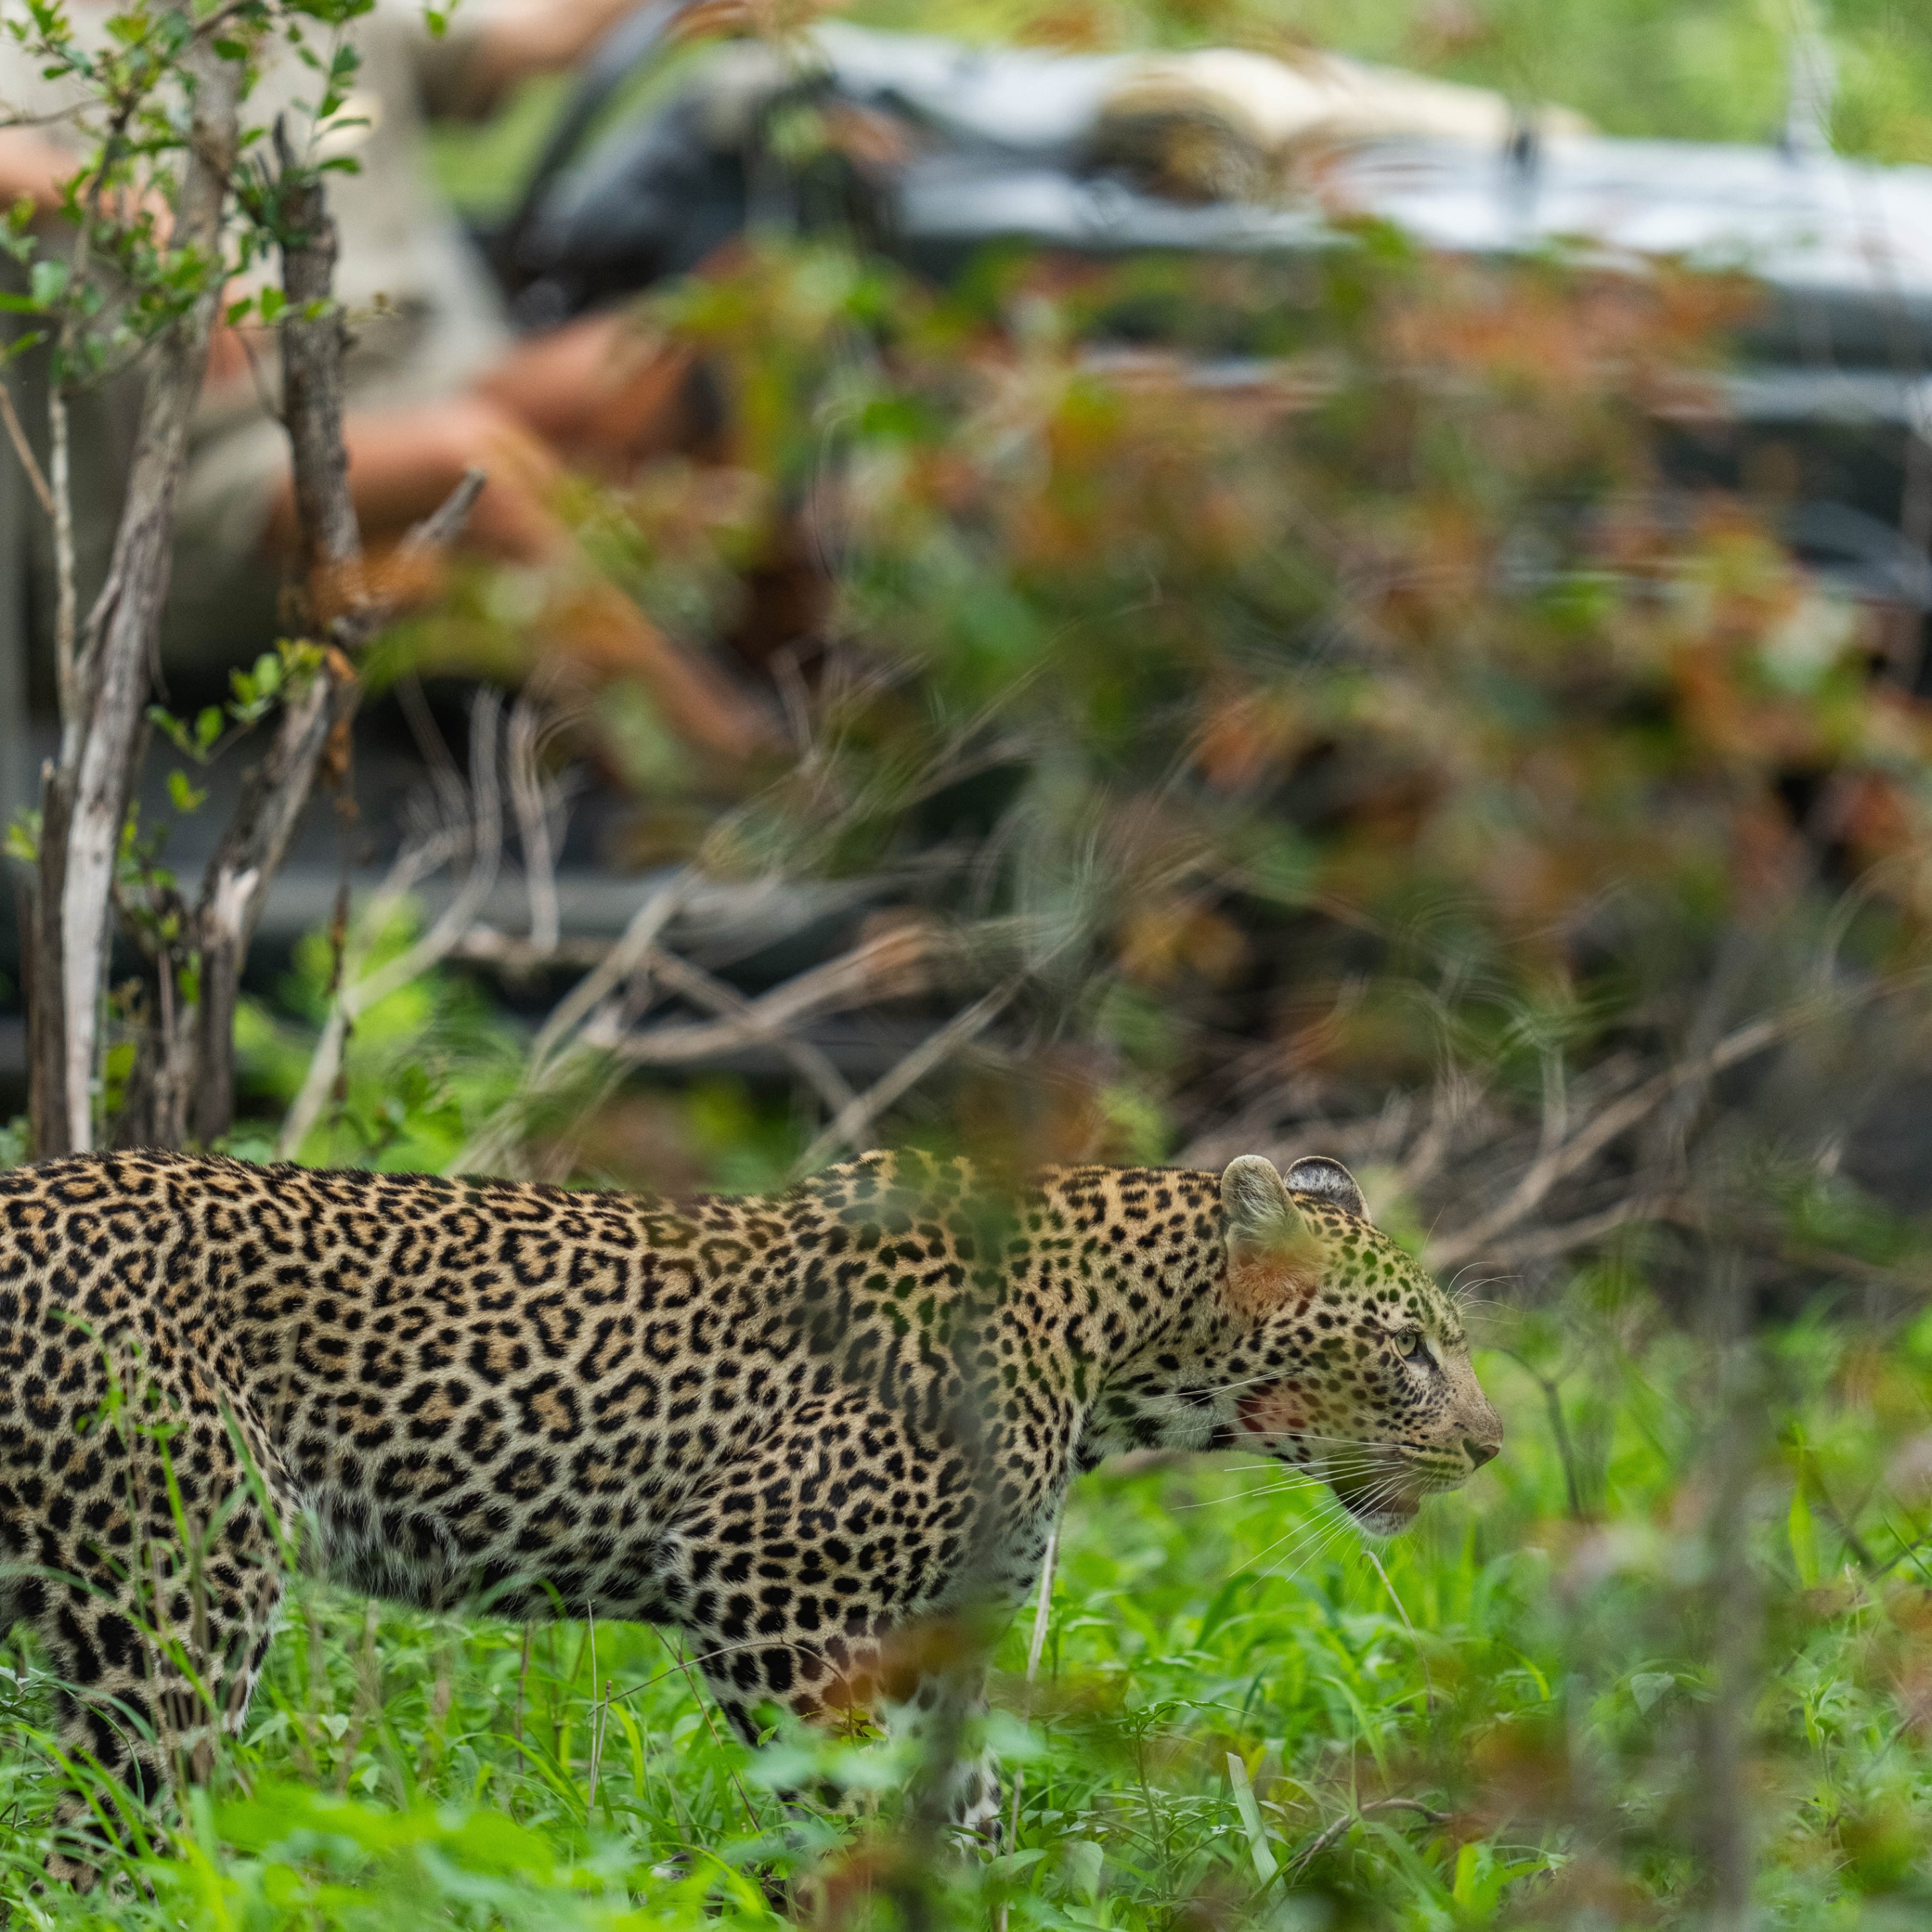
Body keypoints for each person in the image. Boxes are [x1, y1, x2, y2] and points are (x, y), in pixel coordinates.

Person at [0, 0, 773, 764]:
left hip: (438, 379)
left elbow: (536, 38)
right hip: (222, 479)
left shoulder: (324, 15)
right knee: (471, 466)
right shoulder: (45, 36)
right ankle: (730, 764)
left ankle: (825, 687)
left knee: (704, 342)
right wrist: (121, 207)